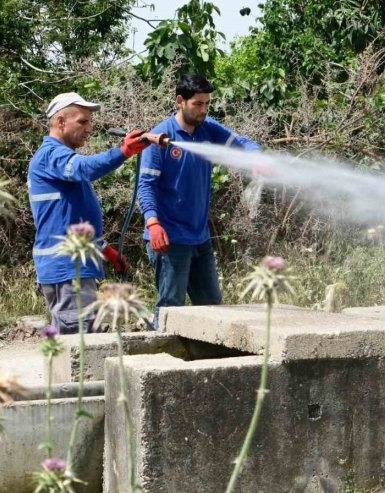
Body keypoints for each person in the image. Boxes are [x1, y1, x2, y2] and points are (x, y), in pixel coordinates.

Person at [137, 74, 263, 323]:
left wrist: (256, 157)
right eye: (198, 104)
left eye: (207, 104)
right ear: (180, 101)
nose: (204, 109)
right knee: (171, 307)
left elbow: (241, 142)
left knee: (212, 306)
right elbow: (145, 185)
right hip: (169, 238)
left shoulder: (208, 129)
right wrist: (153, 223)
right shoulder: (159, 138)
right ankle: (164, 357)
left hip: (199, 237)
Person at [29, 92, 158, 333]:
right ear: (60, 122)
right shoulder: (51, 156)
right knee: (79, 343)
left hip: (72, 265)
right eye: (83, 121)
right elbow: (84, 168)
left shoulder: (59, 162)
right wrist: (123, 152)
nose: (90, 128)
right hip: (66, 267)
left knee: (78, 339)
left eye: (90, 121)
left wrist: (106, 251)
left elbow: (70, 220)